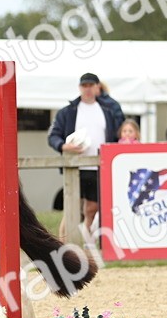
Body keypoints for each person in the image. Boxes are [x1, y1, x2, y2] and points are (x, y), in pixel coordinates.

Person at [48, 72, 124, 233]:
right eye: (84, 85)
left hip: (99, 166)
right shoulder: (68, 112)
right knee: (71, 208)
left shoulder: (108, 111)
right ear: (79, 87)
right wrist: (63, 146)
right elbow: (53, 135)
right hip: (74, 165)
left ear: (98, 87)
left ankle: (87, 243)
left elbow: (119, 134)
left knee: (92, 208)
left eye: (91, 85)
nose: (87, 89)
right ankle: (63, 242)